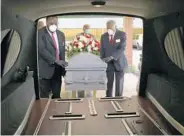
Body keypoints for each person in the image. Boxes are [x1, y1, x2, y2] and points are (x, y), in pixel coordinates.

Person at [38, 15, 68, 99]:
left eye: (55, 23)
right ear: (46, 22)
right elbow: (41, 50)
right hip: (45, 69)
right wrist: (55, 60)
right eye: (51, 22)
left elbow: (62, 52)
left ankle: (56, 111)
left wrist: (64, 68)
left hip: (57, 69)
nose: (53, 24)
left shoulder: (61, 34)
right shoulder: (40, 33)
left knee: (57, 96)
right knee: (44, 97)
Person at [71, 24, 100, 98]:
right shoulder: (78, 36)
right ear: (83, 29)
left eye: (88, 28)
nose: (87, 30)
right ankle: (80, 97)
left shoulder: (92, 37)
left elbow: (96, 47)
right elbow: (73, 46)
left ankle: (89, 98)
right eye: (86, 28)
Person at [100, 20, 127, 97]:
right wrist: (102, 59)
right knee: (109, 83)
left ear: (115, 26)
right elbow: (102, 49)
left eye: (111, 28)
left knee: (119, 83)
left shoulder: (122, 34)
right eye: (107, 28)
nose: (109, 30)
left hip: (119, 62)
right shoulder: (103, 36)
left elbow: (122, 48)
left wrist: (112, 57)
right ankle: (108, 98)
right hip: (108, 63)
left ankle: (118, 98)